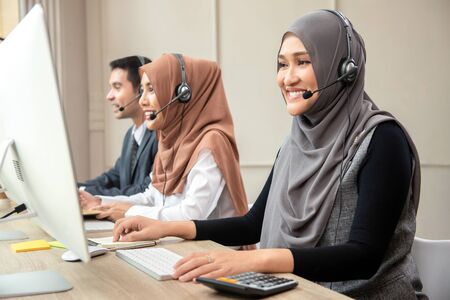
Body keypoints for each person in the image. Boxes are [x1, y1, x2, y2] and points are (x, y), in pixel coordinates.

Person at [111, 10, 427, 299]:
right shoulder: (293, 145)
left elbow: (363, 256)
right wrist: (166, 228)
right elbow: (252, 224)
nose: (287, 78)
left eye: (303, 62)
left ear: (343, 69)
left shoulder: (383, 139)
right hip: (302, 292)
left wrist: (254, 260)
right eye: (282, 64)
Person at [80, 54, 249, 223]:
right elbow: (151, 197)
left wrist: (128, 212)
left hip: (212, 247)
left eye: (151, 90)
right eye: (142, 91)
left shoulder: (212, 142)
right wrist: (101, 202)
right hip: (180, 244)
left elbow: (191, 214)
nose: (142, 101)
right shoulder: (170, 141)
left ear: (183, 94)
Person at [78, 56, 158, 196]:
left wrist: (88, 193)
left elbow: (145, 190)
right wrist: (77, 188)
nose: (109, 96)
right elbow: (113, 177)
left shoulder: (159, 135)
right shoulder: (131, 135)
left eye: (117, 87)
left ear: (140, 90)